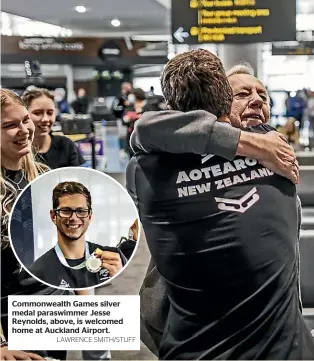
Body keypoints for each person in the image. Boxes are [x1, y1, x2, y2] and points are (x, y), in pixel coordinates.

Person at [126, 50, 314, 359]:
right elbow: (148, 129)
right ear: (221, 103)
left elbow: (146, 130)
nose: (257, 100)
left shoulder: (271, 145)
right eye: (242, 93)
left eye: (262, 94)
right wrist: (235, 140)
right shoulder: (150, 167)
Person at [0, 88, 67, 360]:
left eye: (25, 120)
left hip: (53, 301)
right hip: (10, 314)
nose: (25, 130)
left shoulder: (43, 176)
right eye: (9, 125)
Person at [29, 181, 126, 289]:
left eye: (81, 211)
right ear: (53, 216)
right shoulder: (37, 272)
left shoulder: (115, 258)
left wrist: (121, 281)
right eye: (65, 211)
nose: (74, 218)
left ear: (89, 216)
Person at [22, 88, 85, 169]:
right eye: (37, 113)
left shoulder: (67, 146)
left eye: (50, 113)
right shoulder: (19, 151)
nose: (45, 119)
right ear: (25, 115)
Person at [123, 88, 150, 157]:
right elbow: (124, 120)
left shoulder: (148, 107)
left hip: (144, 140)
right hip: (130, 139)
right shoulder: (129, 108)